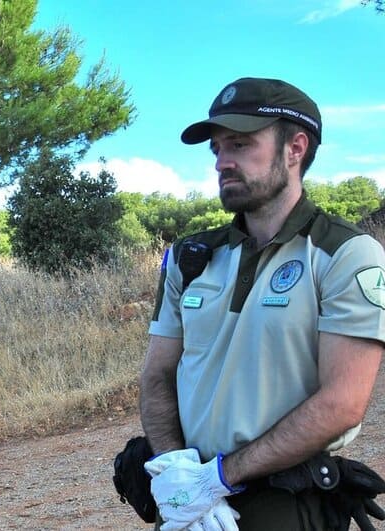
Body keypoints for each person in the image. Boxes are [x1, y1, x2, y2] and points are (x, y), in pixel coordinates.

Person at [139, 77, 385, 530]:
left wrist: (218, 478)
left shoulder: (344, 254)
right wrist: (178, 471)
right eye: (216, 149)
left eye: (239, 144)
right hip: (189, 507)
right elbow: (158, 375)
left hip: (285, 505)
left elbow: (343, 402)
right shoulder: (191, 256)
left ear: (295, 148)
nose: (222, 162)